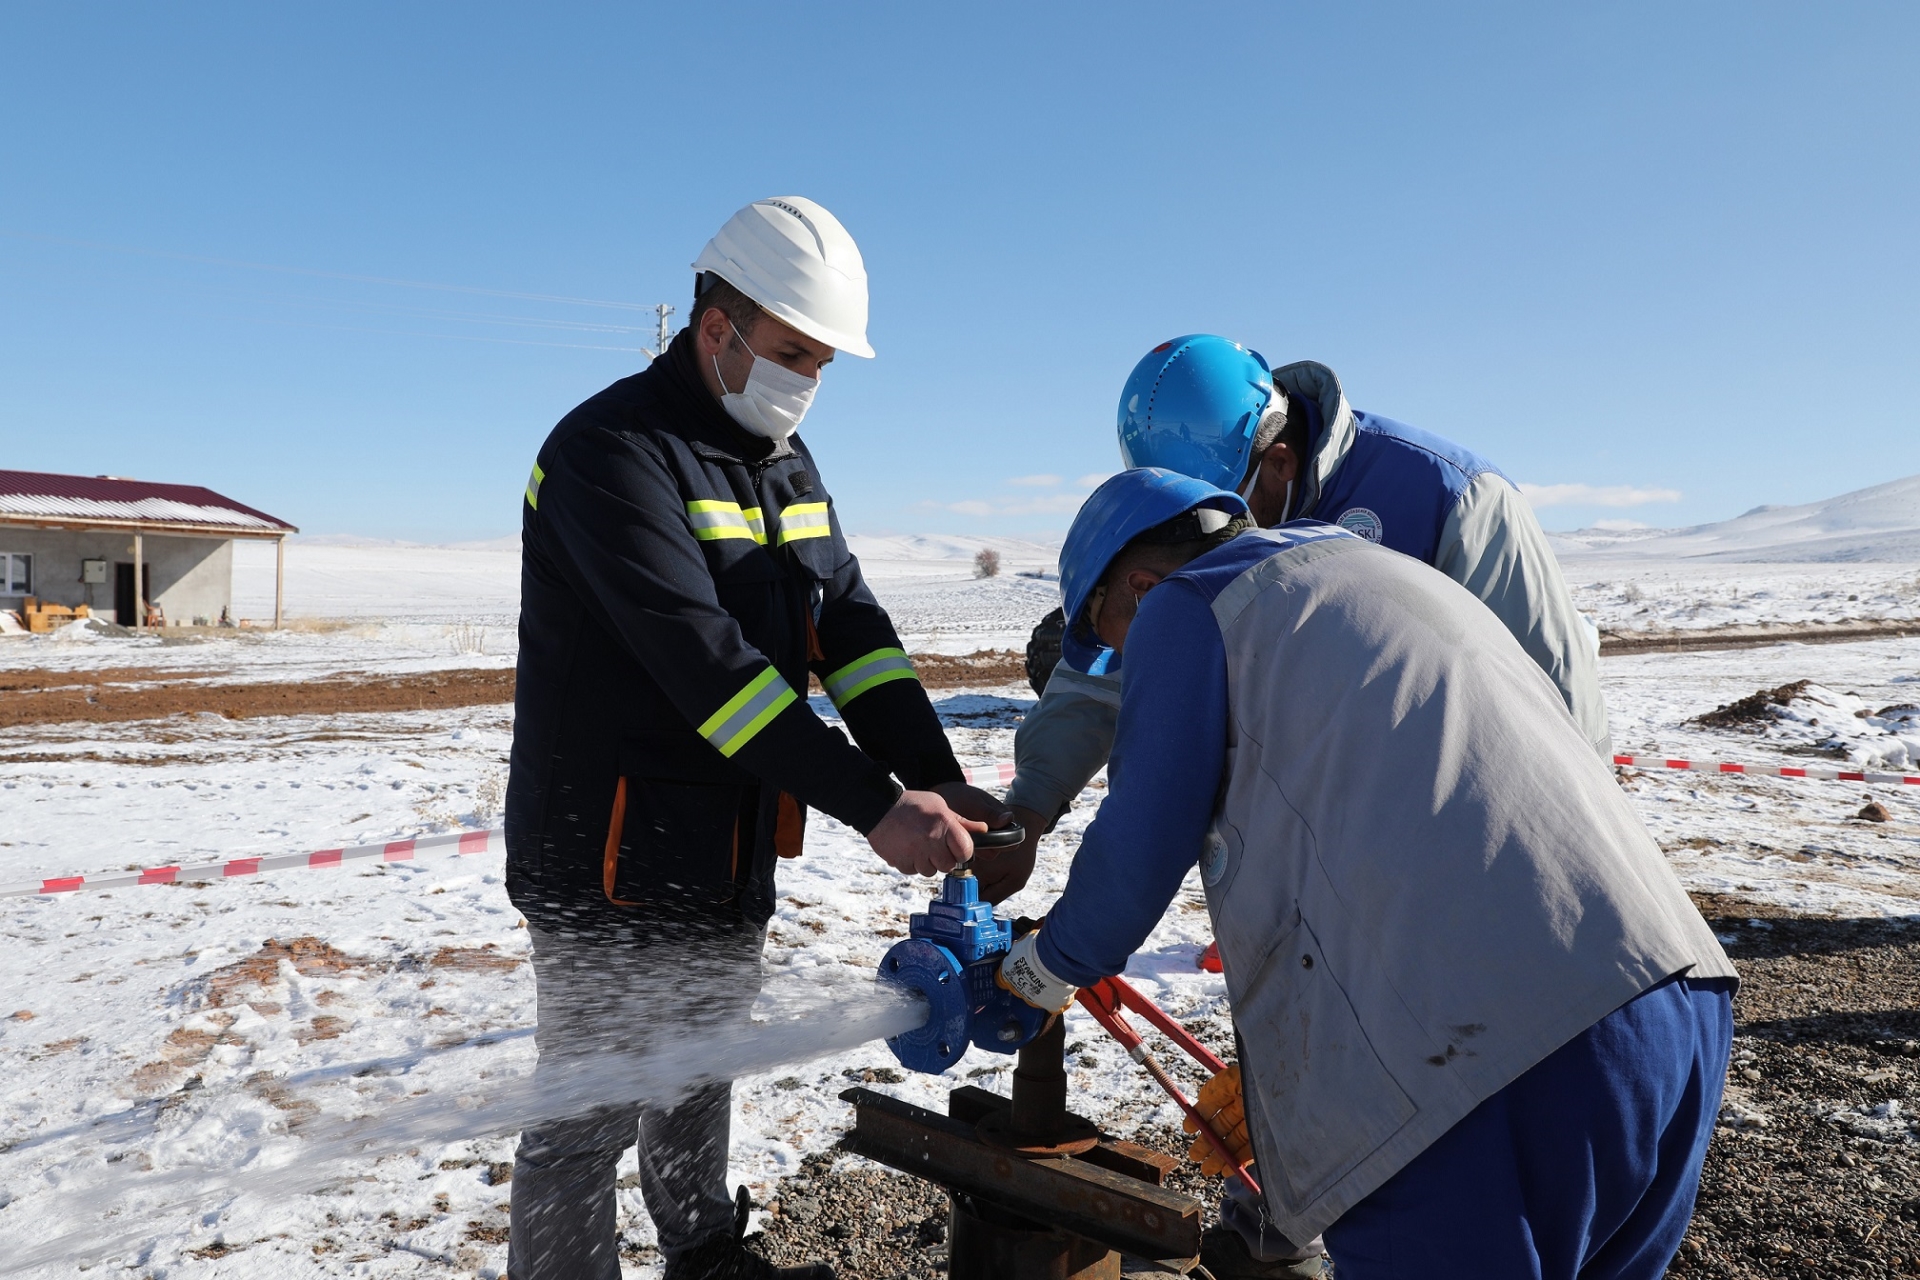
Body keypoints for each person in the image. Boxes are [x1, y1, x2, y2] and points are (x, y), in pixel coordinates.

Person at [996, 470, 1735, 1280]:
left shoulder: (1193, 601)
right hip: (1673, 1002)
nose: (1120, 665)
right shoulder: (1373, 573)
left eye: (1109, 638)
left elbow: (1141, 839)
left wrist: (1045, 966)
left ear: (1138, 585)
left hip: (1491, 1058)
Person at [505, 196, 1008, 1280]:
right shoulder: (609, 453)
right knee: (585, 1112)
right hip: (606, 852)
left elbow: (854, 634)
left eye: (821, 362)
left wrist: (937, 774)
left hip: (724, 839)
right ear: (715, 327)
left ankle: (704, 1253)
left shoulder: (784, 461)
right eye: (790, 352)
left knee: (701, 1069)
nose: (805, 380)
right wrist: (875, 803)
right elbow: (709, 673)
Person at [984, 337, 1607, 904]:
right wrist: (1031, 807)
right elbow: (1112, 665)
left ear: (1280, 460)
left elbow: (1555, 696)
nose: (1212, 528)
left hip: (1455, 858)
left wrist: (1571, 868)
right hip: (1304, 875)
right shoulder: (1195, 529)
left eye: (1224, 504)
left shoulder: (1451, 498)